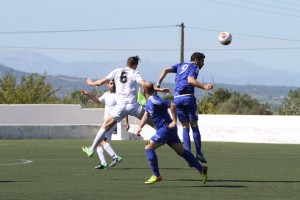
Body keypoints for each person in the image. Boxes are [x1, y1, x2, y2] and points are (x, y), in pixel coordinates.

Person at [82, 56, 169, 167]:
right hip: (133, 106)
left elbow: (100, 83)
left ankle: (91, 149)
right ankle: (170, 135)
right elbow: (144, 84)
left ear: (126, 63)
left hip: (120, 107)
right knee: (153, 122)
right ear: (135, 65)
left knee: (104, 126)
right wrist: (159, 89)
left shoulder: (117, 71)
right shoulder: (134, 73)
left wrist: (90, 83)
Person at [136, 82, 208, 184]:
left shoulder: (154, 100)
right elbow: (146, 115)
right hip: (169, 130)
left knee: (148, 148)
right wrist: (140, 126)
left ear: (144, 91)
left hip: (166, 129)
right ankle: (201, 169)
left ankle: (157, 175)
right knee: (181, 152)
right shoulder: (149, 102)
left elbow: (172, 105)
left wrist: (174, 120)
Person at [156, 52, 213, 163]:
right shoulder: (194, 66)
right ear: (196, 60)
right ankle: (199, 153)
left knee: (185, 126)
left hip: (177, 98)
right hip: (188, 98)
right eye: (202, 61)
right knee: (194, 126)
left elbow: (165, 70)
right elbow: (190, 80)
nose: (203, 64)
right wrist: (205, 86)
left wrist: (158, 84)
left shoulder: (180, 65)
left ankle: (188, 155)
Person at [82, 79, 129, 169]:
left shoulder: (119, 96)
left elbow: (124, 109)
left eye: (114, 83)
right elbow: (97, 100)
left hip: (112, 122)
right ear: (108, 84)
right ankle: (103, 163)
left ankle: (115, 156)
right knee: (100, 143)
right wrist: (87, 94)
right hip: (106, 122)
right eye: (111, 83)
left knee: (100, 141)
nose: (113, 85)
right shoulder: (106, 95)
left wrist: (126, 122)